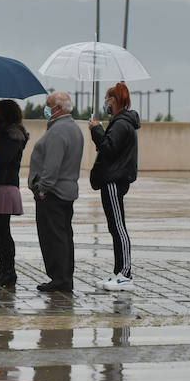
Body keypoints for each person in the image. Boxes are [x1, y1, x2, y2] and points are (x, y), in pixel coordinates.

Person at [28, 91, 84, 293]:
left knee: (53, 237)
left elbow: (52, 165)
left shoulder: (58, 131)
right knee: (64, 236)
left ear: (58, 108)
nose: (46, 107)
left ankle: (59, 279)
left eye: (48, 104)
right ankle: (64, 277)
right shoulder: (73, 128)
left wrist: (43, 189)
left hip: (53, 193)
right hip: (66, 191)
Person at [89, 81, 140, 292]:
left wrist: (97, 130)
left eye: (107, 100)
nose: (105, 104)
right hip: (113, 179)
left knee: (118, 226)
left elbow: (108, 148)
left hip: (113, 179)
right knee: (114, 226)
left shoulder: (120, 124)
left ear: (114, 100)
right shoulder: (121, 122)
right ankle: (119, 271)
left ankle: (125, 273)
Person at [0, 99, 30, 288]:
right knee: (0, 232)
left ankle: (8, 272)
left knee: (3, 232)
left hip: (5, 186)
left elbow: (2, 158)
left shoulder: (12, 135)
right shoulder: (1, 133)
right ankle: (3, 271)